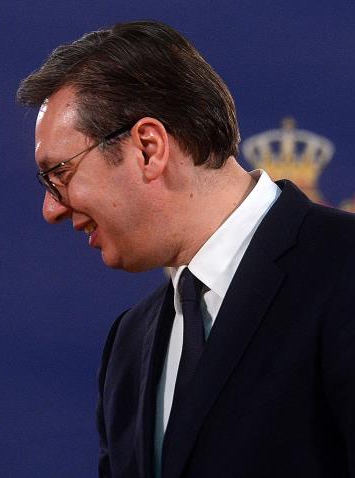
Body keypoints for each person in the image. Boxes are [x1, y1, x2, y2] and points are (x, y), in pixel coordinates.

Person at [17, 20, 355, 478]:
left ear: (148, 148)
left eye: (59, 173)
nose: (50, 209)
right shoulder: (130, 343)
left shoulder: (344, 269)